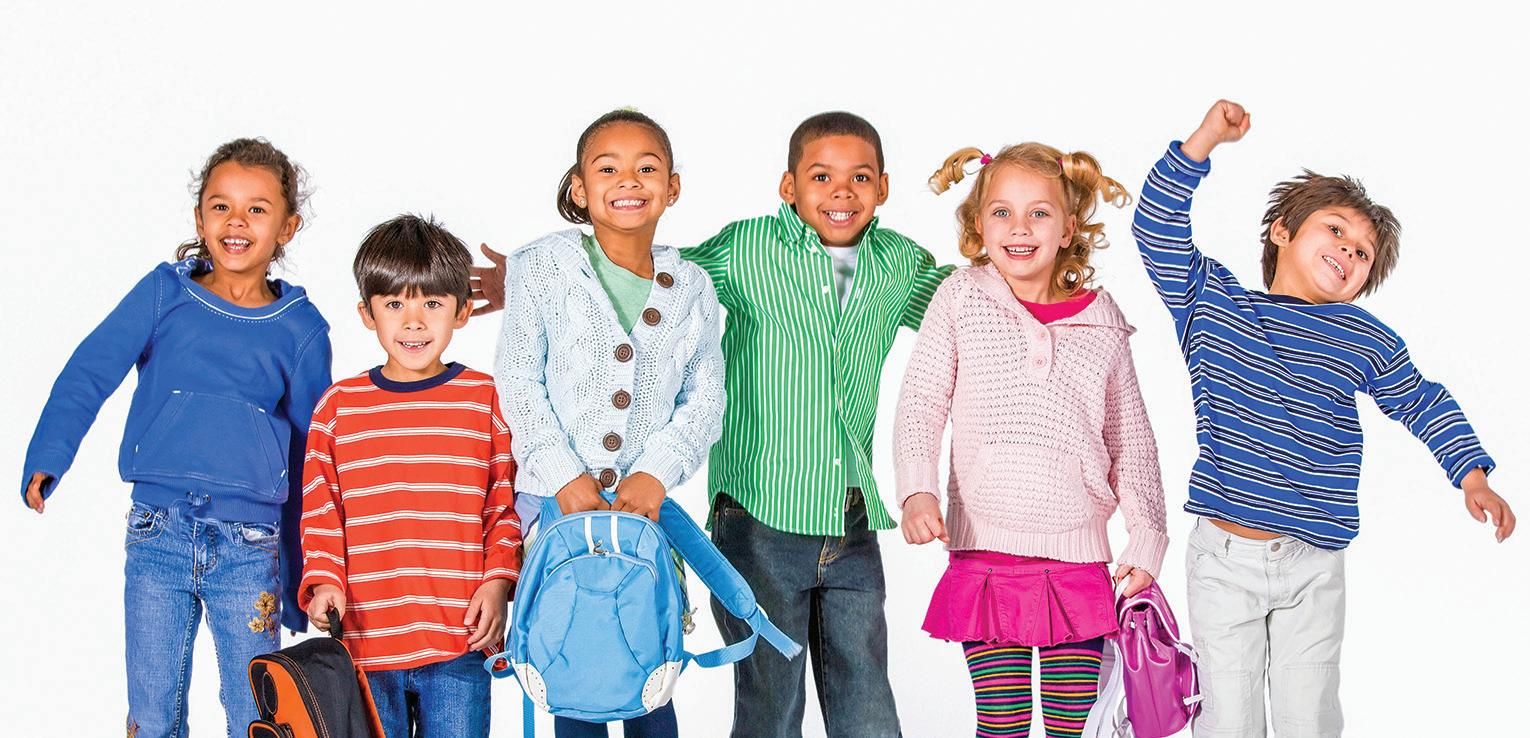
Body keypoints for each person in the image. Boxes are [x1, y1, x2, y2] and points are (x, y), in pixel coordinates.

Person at [1133, 100, 1516, 736]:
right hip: (1222, 560)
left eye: (1362, 253)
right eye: (1335, 230)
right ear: (1282, 231)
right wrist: (1204, 140)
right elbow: (1157, 229)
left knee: (1308, 718)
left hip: (1314, 562)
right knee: (1228, 720)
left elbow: (1422, 400)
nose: (1347, 249)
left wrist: (1471, 474)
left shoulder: (1362, 336)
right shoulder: (1213, 303)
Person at [20, 138, 331, 737]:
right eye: (221, 206)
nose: (236, 221)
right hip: (157, 534)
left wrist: (302, 573)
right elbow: (90, 370)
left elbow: (310, 456)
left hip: (250, 548)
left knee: (257, 714)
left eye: (256, 209)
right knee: (153, 714)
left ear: (287, 228)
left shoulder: (301, 329)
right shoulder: (164, 294)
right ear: (199, 218)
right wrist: (50, 452)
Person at [895, 143, 1167, 738]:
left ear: (1068, 228)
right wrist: (917, 490)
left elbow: (1132, 440)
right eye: (1002, 212)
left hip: (1077, 565)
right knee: (1002, 724)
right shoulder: (961, 297)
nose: (1019, 228)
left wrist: (1148, 537)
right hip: (985, 559)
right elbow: (921, 400)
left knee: (1075, 727)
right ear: (978, 224)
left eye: (1038, 213)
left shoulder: (1102, 320)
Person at [496, 109, 725, 738]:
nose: (628, 180)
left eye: (647, 168)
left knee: (647, 666)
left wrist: (656, 473)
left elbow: (705, 399)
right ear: (579, 187)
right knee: (574, 667)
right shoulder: (541, 268)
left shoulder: (692, 287)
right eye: (608, 168)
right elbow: (517, 379)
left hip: (643, 516)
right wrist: (563, 475)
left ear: (672, 188)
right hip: (554, 510)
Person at [299, 214, 521, 737]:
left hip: (460, 640)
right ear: (367, 313)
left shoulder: (486, 399)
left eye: (432, 304)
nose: (414, 322)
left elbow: (503, 507)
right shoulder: (338, 408)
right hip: (366, 644)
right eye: (395, 304)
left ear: (462, 311)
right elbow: (321, 511)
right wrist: (325, 582)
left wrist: (497, 583)